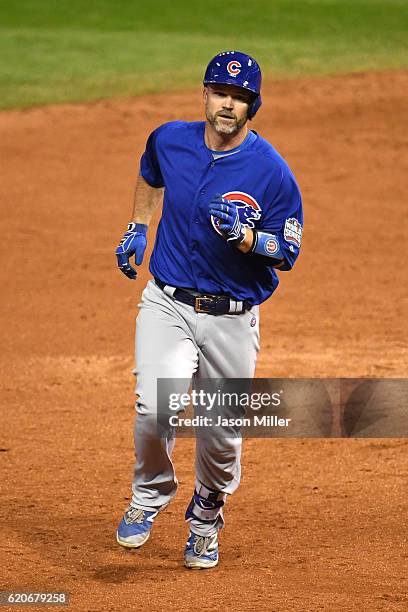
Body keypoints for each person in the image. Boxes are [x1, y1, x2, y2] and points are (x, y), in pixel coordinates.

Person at [114, 50, 303, 569]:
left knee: (222, 435)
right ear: (205, 92)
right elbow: (151, 173)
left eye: (240, 98)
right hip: (167, 301)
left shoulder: (272, 173)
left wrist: (246, 240)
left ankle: (206, 516)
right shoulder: (169, 138)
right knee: (155, 405)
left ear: (252, 107)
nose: (228, 104)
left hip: (232, 316)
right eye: (221, 92)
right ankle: (150, 494)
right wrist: (138, 227)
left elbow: (287, 250)